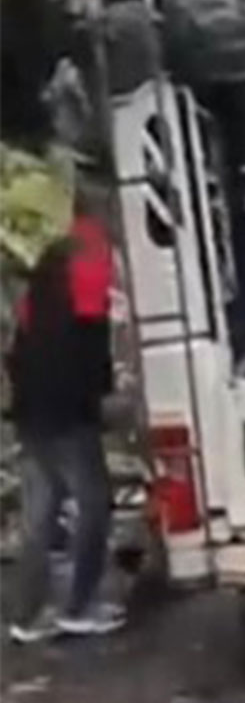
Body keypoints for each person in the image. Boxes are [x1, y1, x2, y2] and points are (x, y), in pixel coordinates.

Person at [4, 186, 125, 643]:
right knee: (94, 502)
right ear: (99, 211)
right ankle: (78, 606)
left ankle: (26, 615)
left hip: (33, 404)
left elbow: (22, 332)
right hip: (65, 405)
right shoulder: (92, 251)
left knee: (42, 510)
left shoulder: (53, 256)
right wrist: (101, 397)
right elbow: (88, 335)